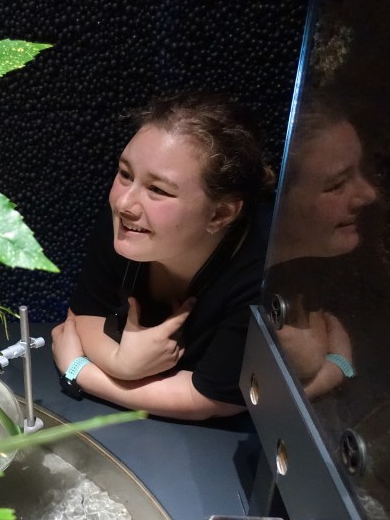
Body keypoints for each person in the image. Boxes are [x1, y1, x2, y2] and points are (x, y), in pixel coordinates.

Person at [52, 92, 274, 420]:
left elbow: (211, 397)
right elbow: (83, 316)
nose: (124, 203)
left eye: (158, 190)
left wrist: (81, 371)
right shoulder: (127, 224)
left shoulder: (261, 271)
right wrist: (120, 363)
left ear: (221, 214)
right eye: (125, 174)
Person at [266, 97, 377, 398]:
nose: (369, 194)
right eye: (337, 185)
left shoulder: (300, 276)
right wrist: (333, 371)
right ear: (273, 197)